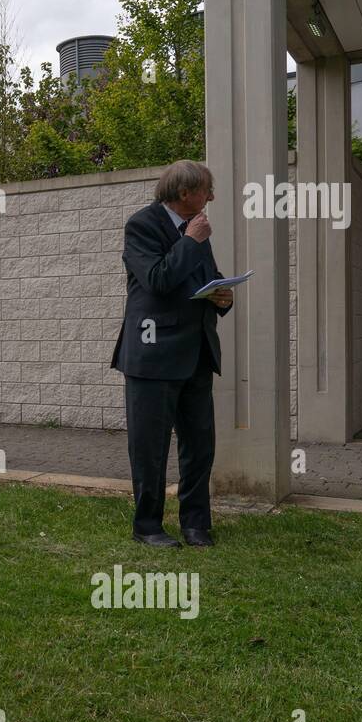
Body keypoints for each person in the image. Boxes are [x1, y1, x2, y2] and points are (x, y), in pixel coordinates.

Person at [110, 160, 234, 548]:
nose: (211, 197)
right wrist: (190, 241)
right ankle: (147, 526)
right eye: (206, 190)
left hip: (196, 353)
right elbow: (159, 280)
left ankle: (196, 524)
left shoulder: (196, 230)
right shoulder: (142, 226)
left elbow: (203, 278)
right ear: (184, 193)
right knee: (150, 448)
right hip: (153, 356)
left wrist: (222, 297)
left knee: (200, 446)